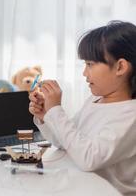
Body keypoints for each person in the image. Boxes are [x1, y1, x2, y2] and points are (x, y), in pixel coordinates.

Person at [29, 21, 136, 195]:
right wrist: (45, 115)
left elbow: (89, 159)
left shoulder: (130, 115)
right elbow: (67, 142)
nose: (84, 73)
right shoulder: (95, 100)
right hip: (81, 188)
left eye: (90, 64)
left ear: (120, 67)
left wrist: (56, 111)